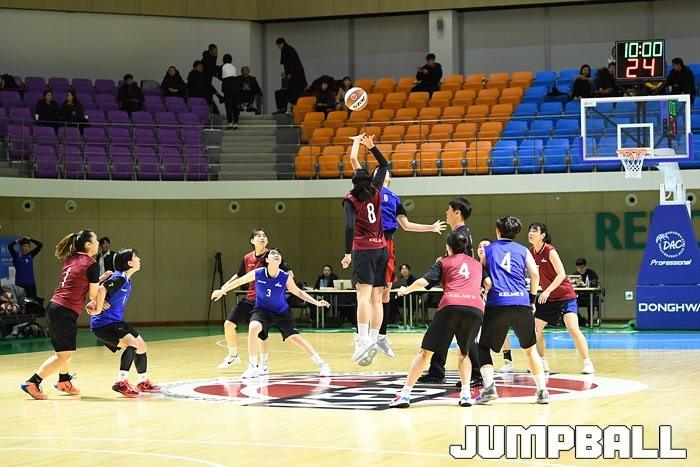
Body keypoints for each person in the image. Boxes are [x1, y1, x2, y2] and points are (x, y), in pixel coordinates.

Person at [347, 134, 445, 360]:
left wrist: (430, 228)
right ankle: (368, 337)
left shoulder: (394, 198)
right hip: (371, 241)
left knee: (384, 293)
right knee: (370, 294)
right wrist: (359, 143)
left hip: (386, 244)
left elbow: (406, 225)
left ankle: (379, 336)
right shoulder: (369, 189)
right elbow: (355, 161)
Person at [390, 232, 484, 408]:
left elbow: (423, 282)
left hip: (451, 305)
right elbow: (488, 284)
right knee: (464, 353)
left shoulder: (443, 262)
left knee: (426, 352)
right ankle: (465, 395)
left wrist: (406, 290)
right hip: (475, 308)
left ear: (448, 247)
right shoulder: (477, 264)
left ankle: (405, 395)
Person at [211, 248, 331, 378]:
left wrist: (316, 302)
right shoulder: (258, 273)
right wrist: (222, 290)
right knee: (253, 327)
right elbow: (238, 281)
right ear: (267, 260)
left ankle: (322, 364)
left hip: (282, 313)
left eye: (278, 254)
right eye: (273, 253)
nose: (276, 255)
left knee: (295, 338)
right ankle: (252, 367)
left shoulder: (285, 277)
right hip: (262, 311)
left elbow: (299, 292)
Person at [21, 230, 111, 400]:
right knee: (64, 354)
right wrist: (100, 304)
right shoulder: (91, 264)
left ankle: (63, 381)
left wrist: (100, 278)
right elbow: (93, 295)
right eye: (96, 240)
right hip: (64, 311)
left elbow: (80, 280)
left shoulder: (71, 259)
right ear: (88, 245)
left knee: (65, 351)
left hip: (55, 307)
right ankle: (32, 382)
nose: (98, 243)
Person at [474, 216, 550, 405]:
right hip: (521, 303)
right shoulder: (523, 250)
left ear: (498, 231)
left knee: (482, 347)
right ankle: (542, 391)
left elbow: (480, 271)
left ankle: (489, 388)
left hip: (497, 303)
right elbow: (535, 274)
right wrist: (531, 299)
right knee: (530, 350)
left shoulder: (489, 249)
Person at [341, 134, 389, 365]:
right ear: (370, 180)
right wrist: (371, 146)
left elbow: (349, 226)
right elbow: (384, 164)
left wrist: (347, 253)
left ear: (353, 182)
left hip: (364, 250)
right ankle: (375, 338)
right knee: (377, 298)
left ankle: (362, 340)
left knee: (362, 297)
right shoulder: (377, 189)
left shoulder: (351, 199)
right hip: (382, 249)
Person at [418, 197, 475, 385]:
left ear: (457, 212)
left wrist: (443, 262)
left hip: (459, 293)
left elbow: (461, 263)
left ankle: (475, 373)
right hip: (457, 292)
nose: (446, 213)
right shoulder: (462, 233)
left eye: (449, 209)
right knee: (448, 332)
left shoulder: (461, 234)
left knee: (463, 336)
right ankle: (437, 370)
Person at [216, 228, 290, 372]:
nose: (262, 237)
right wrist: (224, 287)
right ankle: (233, 356)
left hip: (265, 301)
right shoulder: (247, 258)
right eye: (258, 236)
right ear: (252, 241)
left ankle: (264, 363)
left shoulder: (272, 255)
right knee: (229, 324)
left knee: (260, 333)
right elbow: (239, 275)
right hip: (250, 298)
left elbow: (287, 272)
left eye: (264, 236)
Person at [90, 249, 160, 397]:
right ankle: (121, 382)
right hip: (104, 324)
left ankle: (143, 382)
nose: (139, 259)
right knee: (132, 344)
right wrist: (98, 308)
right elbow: (101, 289)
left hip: (116, 322)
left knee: (141, 347)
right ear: (129, 263)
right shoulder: (120, 277)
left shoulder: (126, 278)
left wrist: (97, 302)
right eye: (136, 257)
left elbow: (103, 290)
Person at [528, 222, 594, 374]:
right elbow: (534, 275)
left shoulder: (550, 251)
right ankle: (542, 362)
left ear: (542, 235)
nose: (530, 233)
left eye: (534, 231)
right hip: (548, 299)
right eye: (530, 230)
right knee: (535, 330)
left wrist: (547, 291)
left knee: (573, 328)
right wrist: (534, 295)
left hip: (565, 296)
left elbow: (561, 274)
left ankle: (587, 362)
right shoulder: (530, 252)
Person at [477, 238, 514, 373]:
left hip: (497, 301)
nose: (482, 249)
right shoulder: (475, 265)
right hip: (480, 303)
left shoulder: (497, 264)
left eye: (485, 246)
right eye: (480, 246)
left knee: (502, 331)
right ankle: (480, 364)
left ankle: (508, 361)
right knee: (479, 335)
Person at [273, 37, 307, 113]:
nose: (278, 47)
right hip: (296, 76)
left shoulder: (287, 50)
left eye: (278, 45)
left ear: (281, 44)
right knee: (284, 92)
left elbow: (290, 63)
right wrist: (286, 74)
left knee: (294, 92)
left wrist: (289, 73)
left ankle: (291, 108)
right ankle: (284, 108)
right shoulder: (288, 49)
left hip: (296, 77)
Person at [221, 54, 241, 129]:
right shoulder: (233, 67)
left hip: (227, 88)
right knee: (234, 106)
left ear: (223, 60)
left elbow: (222, 77)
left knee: (228, 106)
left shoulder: (223, 66)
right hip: (235, 87)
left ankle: (230, 122)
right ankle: (235, 122)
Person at [201, 43, 222, 114]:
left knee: (209, 91)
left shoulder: (211, 57)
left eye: (217, 50)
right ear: (210, 51)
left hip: (207, 80)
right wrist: (217, 75)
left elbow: (212, 68)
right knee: (208, 93)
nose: (217, 51)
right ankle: (217, 103)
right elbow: (211, 69)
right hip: (204, 80)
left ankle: (218, 99)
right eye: (215, 50)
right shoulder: (207, 58)